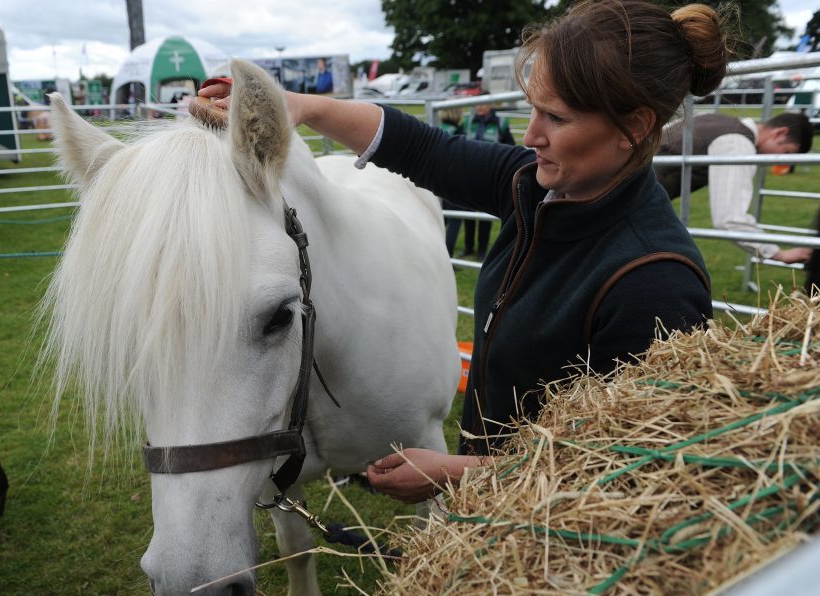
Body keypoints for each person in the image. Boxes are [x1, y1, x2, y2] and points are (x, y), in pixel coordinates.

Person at [199, 0, 727, 503]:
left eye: (557, 119)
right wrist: (303, 106)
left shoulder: (654, 282)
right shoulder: (536, 188)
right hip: (505, 495)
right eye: (533, 111)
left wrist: (460, 473)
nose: (531, 134)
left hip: (560, 542)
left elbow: (631, 471)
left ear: (634, 127)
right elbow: (422, 148)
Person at [655, 111, 814, 264]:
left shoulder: (713, 118)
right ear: (780, 133)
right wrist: (779, 254)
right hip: (636, 193)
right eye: (786, 153)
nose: (779, 162)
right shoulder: (737, 144)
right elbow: (730, 219)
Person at [467, 103, 517, 259]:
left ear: (490, 105)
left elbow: (511, 146)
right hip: (470, 174)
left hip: (489, 176)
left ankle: (481, 249)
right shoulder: (468, 122)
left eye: (483, 103)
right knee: (467, 213)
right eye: (477, 104)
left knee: (484, 215)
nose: (479, 107)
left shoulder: (500, 123)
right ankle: (469, 248)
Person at [437, 108, 475, 257]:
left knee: (442, 219)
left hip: (437, 180)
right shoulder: (458, 132)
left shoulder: (438, 128)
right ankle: (448, 258)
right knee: (455, 221)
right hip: (454, 180)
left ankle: (435, 254)